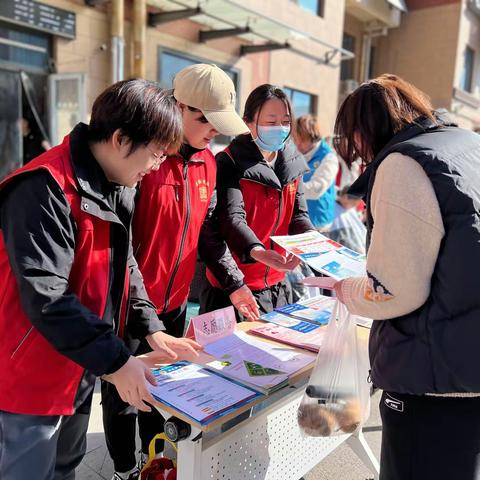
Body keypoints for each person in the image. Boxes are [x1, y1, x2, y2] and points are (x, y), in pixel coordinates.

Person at [0, 79, 201, 480]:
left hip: (79, 362)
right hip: (30, 372)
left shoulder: (117, 186)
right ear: (121, 139)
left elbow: (125, 264)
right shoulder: (43, 187)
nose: (157, 166)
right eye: (155, 153)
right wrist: (117, 361)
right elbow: (47, 296)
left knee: (64, 466)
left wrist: (151, 328)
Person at [103, 64, 259, 480]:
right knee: (123, 394)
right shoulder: (145, 160)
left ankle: (156, 462)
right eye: (207, 122)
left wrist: (236, 283)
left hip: (174, 306)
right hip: (130, 305)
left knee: (161, 390)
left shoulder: (209, 163)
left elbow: (207, 236)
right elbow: (120, 243)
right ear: (179, 108)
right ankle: (122, 468)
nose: (215, 133)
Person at [332, 74, 480, 480]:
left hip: (432, 378)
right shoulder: (466, 144)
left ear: (364, 130)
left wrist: (346, 289)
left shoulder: (403, 164)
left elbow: (395, 292)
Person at [200, 84, 314, 316]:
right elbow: (232, 219)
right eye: (271, 123)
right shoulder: (229, 162)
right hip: (234, 288)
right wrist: (258, 251)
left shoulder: (292, 162)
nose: (280, 129)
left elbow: (299, 216)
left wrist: (312, 243)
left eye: (285, 121)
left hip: (277, 284)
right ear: (248, 122)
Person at [294, 114, 339, 233]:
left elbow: (316, 189)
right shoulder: (298, 154)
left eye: (302, 140)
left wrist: (290, 190)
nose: (298, 144)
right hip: (300, 221)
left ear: (313, 137)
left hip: (320, 224)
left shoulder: (329, 157)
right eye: (296, 140)